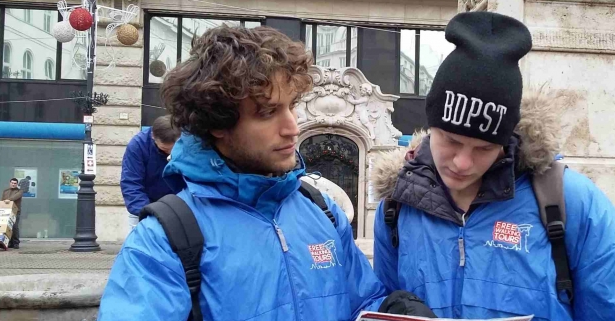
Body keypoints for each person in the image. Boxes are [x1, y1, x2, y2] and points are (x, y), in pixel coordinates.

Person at [99, 25, 433, 321]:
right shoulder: (163, 241)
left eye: (291, 106)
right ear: (218, 123)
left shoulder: (322, 210)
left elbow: (362, 301)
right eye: (267, 112)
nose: (291, 128)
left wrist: (394, 310)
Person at [371, 12, 615, 320]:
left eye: (484, 147)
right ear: (430, 126)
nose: (463, 162)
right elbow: (381, 298)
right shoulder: (396, 207)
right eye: (450, 140)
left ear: (506, 141)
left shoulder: (573, 202)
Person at [120, 114, 181, 232]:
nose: (170, 154)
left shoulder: (187, 143)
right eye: (165, 149)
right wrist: (146, 212)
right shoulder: (137, 145)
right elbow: (131, 183)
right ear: (153, 136)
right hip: (145, 205)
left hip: (179, 206)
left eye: (174, 150)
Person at [2, 178, 23, 249]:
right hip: (6, 211)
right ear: (10, 183)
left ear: (17, 184)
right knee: (8, 227)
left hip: (15, 212)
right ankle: (9, 242)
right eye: (12, 183)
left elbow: (16, 196)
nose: (13, 184)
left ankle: (16, 243)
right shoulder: (5, 191)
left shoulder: (19, 191)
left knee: (14, 227)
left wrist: (9, 200)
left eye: (15, 183)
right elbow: (2, 200)